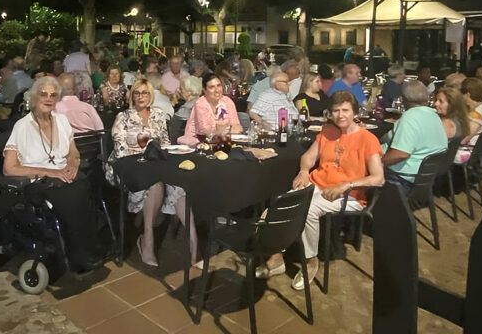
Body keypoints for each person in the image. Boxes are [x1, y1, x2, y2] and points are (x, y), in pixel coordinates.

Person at [256, 91, 384, 289]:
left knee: (308, 210)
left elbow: (378, 178)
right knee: (283, 204)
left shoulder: (367, 139)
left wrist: (346, 185)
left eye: (345, 110)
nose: (340, 115)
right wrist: (305, 171)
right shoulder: (327, 132)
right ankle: (277, 257)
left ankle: (310, 260)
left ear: (354, 112)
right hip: (317, 184)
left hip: (349, 194)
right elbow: (308, 156)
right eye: (336, 111)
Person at [3, 76, 102, 271]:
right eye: (43, 94)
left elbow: (73, 151)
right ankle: (78, 254)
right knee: (72, 195)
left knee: (85, 184)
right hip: (35, 182)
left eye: (53, 95)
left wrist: (73, 164)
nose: (48, 99)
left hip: (62, 175)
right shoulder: (22, 126)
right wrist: (50, 172)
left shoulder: (62, 120)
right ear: (34, 97)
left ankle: (90, 247)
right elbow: (9, 168)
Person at [106, 79, 197, 266]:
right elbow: (121, 149)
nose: (141, 96)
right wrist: (147, 152)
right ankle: (147, 240)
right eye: (137, 93)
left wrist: (151, 152)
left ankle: (194, 244)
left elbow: (164, 144)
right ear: (132, 96)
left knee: (179, 185)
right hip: (126, 167)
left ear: (151, 96)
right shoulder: (123, 116)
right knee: (155, 186)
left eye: (145, 93)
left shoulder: (158, 114)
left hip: (153, 165)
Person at [382, 81, 447, 195]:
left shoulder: (410, 118)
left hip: (403, 179)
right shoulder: (433, 115)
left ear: (403, 99)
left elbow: (401, 154)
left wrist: (378, 163)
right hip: (425, 178)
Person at [178, 74, 243, 146]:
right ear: (204, 90)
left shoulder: (227, 101)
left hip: (224, 141)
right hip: (200, 143)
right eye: (212, 87)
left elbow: (236, 125)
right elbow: (205, 132)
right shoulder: (200, 104)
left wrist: (234, 129)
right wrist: (222, 132)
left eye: (219, 85)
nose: (217, 90)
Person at [454, 78, 482, 164]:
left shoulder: (475, 117)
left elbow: (462, 140)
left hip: (468, 151)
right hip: (481, 149)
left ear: (467, 95)